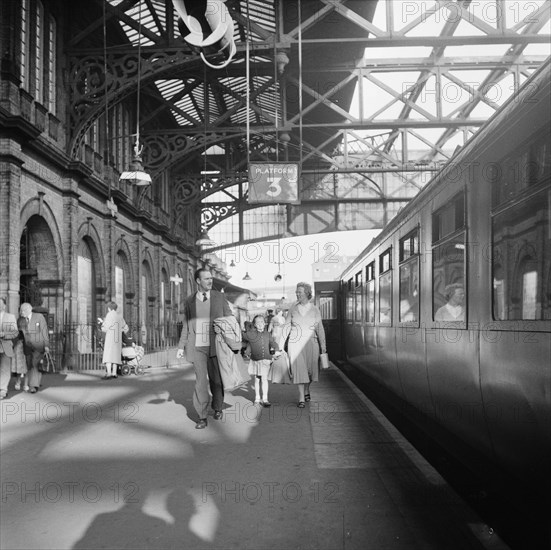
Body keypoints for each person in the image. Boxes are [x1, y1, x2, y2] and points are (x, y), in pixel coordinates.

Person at [176, 267, 233, 429]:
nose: (210, 281)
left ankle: (217, 406)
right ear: (198, 281)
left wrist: (222, 328)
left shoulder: (219, 297)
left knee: (216, 380)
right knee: (200, 382)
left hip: (216, 345)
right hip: (197, 347)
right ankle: (201, 416)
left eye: (211, 278)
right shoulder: (189, 301)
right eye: (206, 278)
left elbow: (230, 318)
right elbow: (186, 325)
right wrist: (181, 346)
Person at [281, 282, 327, 408]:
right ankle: (301, 397)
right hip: (295, 344)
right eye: (296, 292)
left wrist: (323, 346)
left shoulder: (315, 309)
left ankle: (307, 389)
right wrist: (280, 346)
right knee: (299, 370)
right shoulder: (293, 308)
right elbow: (286, 327)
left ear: (307, 293)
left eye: (299, 292)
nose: (297, 294)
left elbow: (320, 328)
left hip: (312, 343)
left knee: (311, 372)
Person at [243, 314, 279, 407]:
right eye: (258, 322)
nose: (260, 324)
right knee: (257, 379)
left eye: (262, 322)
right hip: (255, 360)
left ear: (265, 323)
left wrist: (276, 349)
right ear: (254, 324)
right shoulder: (251, 334)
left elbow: (272, 342)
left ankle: (265, 399)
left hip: (265, 360)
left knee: (264, 379)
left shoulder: (267, 334)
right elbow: (241, 335)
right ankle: (257, 398)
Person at [18, 302, 50, 394]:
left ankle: (33, 386)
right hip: (27, 346)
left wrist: (46, 345)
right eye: (20, 310)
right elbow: (19, 333)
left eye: (23, 310)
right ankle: (36, 380)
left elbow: (44, 331)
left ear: (29, 309)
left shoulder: (39, 317)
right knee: (30, 365)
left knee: (34, 363)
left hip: (38, 346)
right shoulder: (21, 320)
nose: (21, 312)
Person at [99, 301, 128, 379]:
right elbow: (125, 328)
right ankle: (114, 373)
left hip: (110, 338)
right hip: (117, 339)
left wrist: (102, 324)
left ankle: (109, 373)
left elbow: (105, 328)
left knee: (108, 356)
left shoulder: (109, 315)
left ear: (109, 308)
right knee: (115, 356)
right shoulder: (119, 316)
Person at [0, 297, 19, 399]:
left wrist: (4, 334)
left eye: (0, 304)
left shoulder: (10, 317)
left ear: (4, 306)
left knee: (5, 369)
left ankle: (3, 390)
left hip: (6, 346)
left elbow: (15, 332)